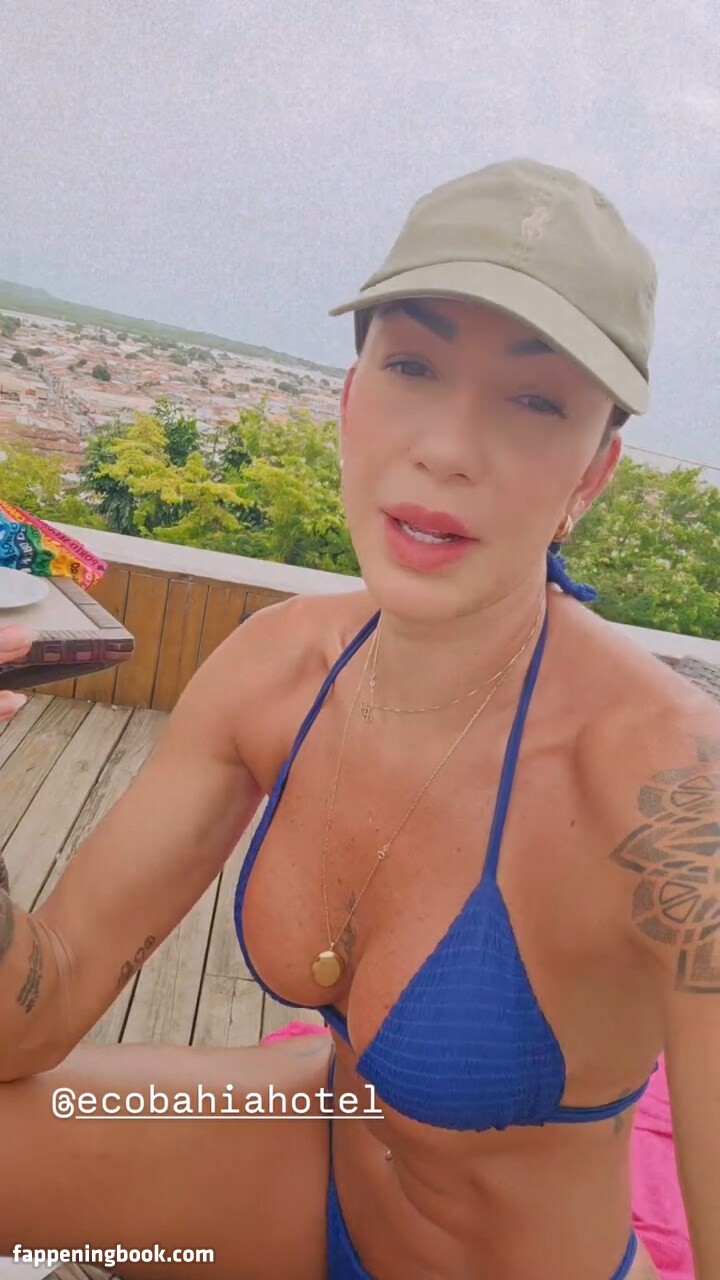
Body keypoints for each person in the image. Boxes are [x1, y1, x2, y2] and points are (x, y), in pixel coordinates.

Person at [0, 157, 714, 1280]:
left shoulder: (672, 791)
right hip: (304, 1163)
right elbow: (31, 1018)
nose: (448, 447)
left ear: (593, 474)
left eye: (535, 400)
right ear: (349, 397)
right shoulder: (278, 667)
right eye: (414, 365)